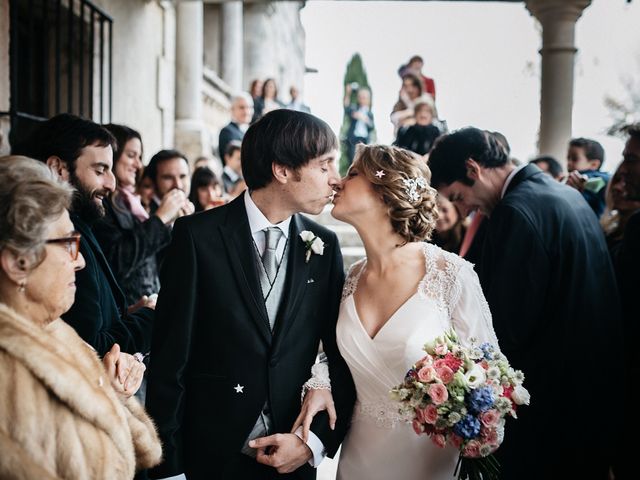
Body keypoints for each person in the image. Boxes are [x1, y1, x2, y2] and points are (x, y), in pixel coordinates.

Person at [145, 109, 356, 479]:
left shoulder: (324, 245)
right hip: (208, 455)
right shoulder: (197, 237)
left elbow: (341, 355)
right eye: (325, 166)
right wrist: (169, 469)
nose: (336, 180)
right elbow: (170, 358)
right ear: (283, 171)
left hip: (292, 455)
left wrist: (312, 444)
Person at [295, 144, 500, 480]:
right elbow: (337, 358)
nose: (337, 182)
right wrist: (320, 383)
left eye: (352, 173)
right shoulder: (351, 279)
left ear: (384, 189)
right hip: (359, 460)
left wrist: (479, 432)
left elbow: (490, 372)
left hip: (427, 464)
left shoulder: (450, 274)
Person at [428, 127, 622, 480]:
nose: (464, 208)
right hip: (593, 391)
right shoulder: (565, 195)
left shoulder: (515, 212)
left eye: (458, 195)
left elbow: (506, 327)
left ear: (474, 169)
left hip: (552, 403)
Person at [0, 156, 161, 479]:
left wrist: (112, 390)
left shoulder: (58, 333)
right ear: (18, 263)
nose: (81, 262)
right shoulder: (8, 377)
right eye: (68, 245)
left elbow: (139, 450)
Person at [25, 113, 156, 356]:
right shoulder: (56, 234)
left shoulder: (81, 224)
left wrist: (128, 315)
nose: (111, 184)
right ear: (58, 168)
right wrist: (150, 319)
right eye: (100, 170)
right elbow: (89, 347)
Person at [93, 124, 177, 305]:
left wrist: (174, 223)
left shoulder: (132, 201)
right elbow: (116, 261)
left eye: (139, 157)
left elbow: (156, 261)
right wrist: (160, 219)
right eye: (131, 156)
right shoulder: (101, 203)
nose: (138, 165)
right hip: (125, 312)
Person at [565, 137, 610, 217]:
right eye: (568, 158)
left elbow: (607, 179)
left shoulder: (595, 179)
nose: (569, 163)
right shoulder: (571, 179)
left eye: (575, 159)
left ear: (594, 164)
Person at [144, 149, 194, 218]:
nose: (178, 185)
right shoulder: (143, 213)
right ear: (153, 180)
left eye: (183, 176)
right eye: (168, 177)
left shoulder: (193, 210)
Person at [343, 83, 374, 167]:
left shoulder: (370, 113)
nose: (362, 99)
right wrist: (348, 93)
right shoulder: (355, 108)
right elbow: (346, 108)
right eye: (360, 97)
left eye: (364, 97)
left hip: (364, 140)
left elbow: (371, 127)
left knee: (364, 162)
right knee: (353, 161)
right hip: (354, 139)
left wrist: (365, 119)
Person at [218, 92, 253, 159]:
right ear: (232, 109)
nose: (247, 112)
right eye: (242, 107)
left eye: (250, 107)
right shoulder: (227, 132)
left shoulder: (252, 131)